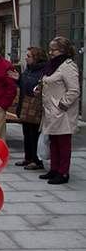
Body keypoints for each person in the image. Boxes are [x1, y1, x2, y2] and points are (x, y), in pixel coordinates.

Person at [37, 37, 80, 185]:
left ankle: (63, 172)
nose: (51, 52)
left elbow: (74, 90)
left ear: (63, 50)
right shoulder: (54, 65)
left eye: (54, 49)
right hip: (50, 110)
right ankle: (54, 169)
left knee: (63, 142)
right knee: (53, 141)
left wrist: (62, 105)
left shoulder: (68, 66)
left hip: (62, 112)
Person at [7, 46, 48, 171]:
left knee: (34, 134)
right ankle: (28, 157)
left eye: (29, 56)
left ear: (36, 58)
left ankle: (37, 161)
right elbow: (25, 83)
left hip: (35, 108)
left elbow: (33, 86)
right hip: (25, 105)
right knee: (26, 134)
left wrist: (21, 79)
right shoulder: (29, 70)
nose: (26, 58)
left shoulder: (42, 71)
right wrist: (19, 79)